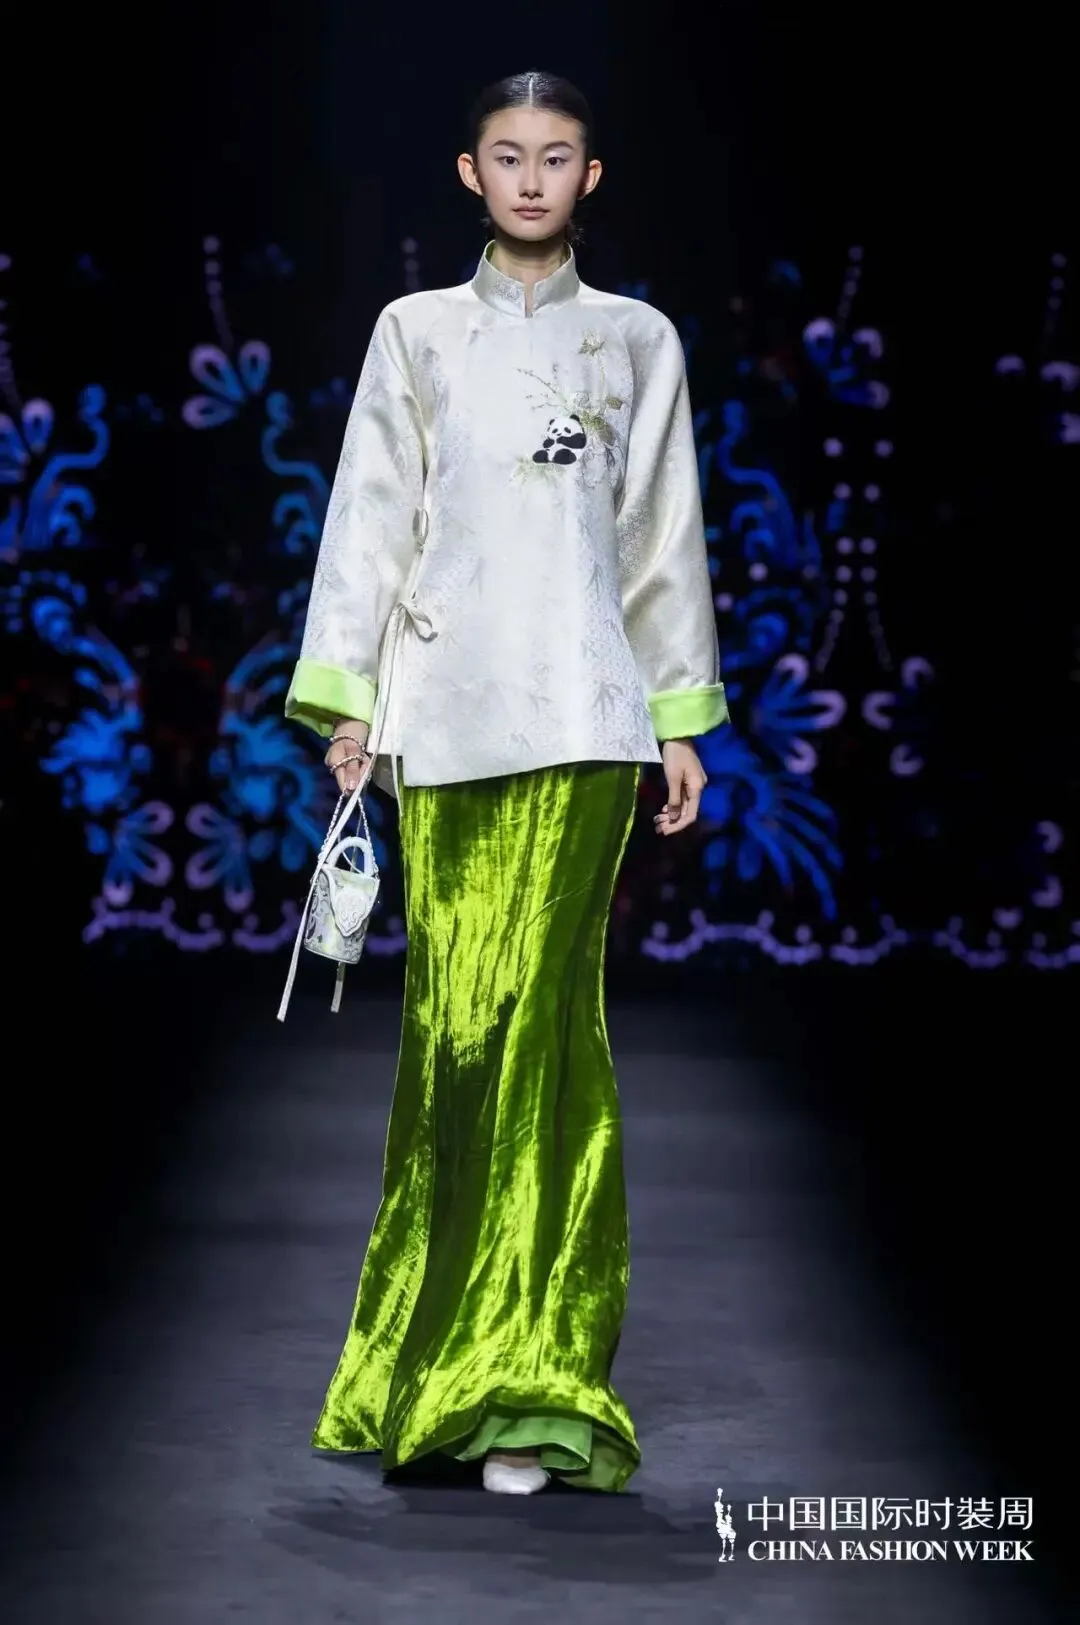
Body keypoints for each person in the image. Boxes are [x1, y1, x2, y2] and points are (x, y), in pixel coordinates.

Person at [284, 69, 728, 1496]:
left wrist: (679, 716)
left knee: (544, 1029)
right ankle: (429, 1361)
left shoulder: (637, 340)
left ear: (590, 177)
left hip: (589, 718)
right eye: (508, 156)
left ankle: (532, 1384)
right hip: (446, 714)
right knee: (455, 1037)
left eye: (558, 156)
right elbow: (370, 519)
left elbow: (662, 534)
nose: (532, 178)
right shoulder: (413, 333)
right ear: (470, 174)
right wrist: (350, 704)